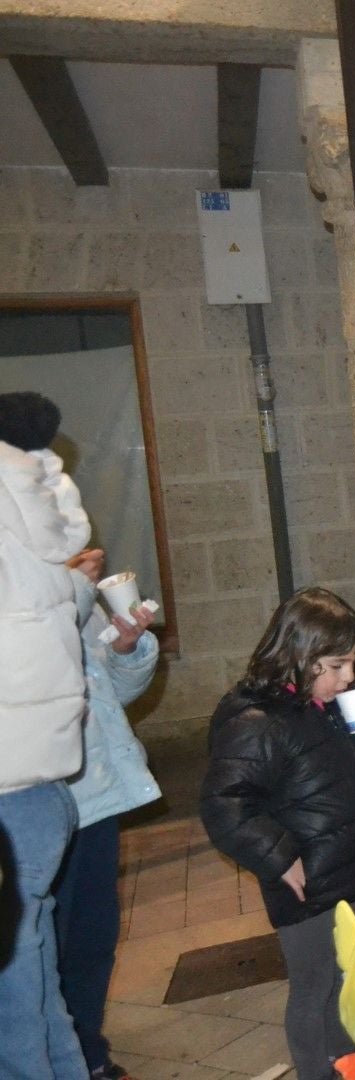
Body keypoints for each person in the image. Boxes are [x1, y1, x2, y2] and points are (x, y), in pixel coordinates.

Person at [200, 587, 355, 1080]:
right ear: (298, 654)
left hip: (350, 872)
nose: (349, 677)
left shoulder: (327, 706)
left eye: (352, 664)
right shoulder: (255, 723)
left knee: (348, 979)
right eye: (336, 665)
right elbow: (224, 803)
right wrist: (277, 857)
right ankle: (319, 1070)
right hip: (306, 884)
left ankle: (348, 1065)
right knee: (315, 988)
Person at [0, 390, 93, 1080]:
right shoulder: (35, 495)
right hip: (43, 782)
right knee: (31, 967)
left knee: (11, 984)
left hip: (5, 785)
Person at [55, 546, 161, 1080]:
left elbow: (112, 691)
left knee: (92, 939)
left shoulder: (61, 581)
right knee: (41, 946)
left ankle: (88, 1052)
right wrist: (68, 592)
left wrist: (126, 646)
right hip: (36, 797)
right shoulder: (28, 588)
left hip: (94, 793)